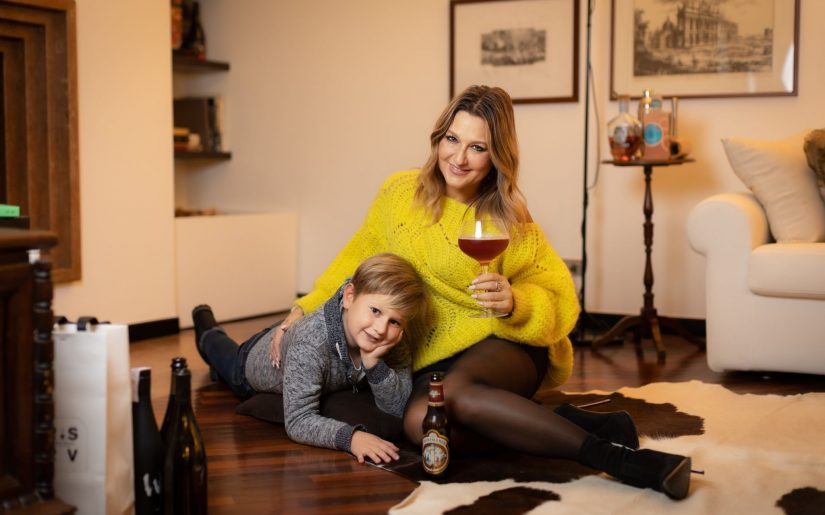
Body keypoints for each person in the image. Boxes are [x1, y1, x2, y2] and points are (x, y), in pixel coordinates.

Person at [270, 85, 693, 500]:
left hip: (504, 343)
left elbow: (558, 294)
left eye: (477, 147)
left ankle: (618, 460)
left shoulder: (508, 213)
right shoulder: (398, 194)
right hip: (431, 354)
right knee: (420, 426)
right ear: (438, 138)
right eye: (452, 140)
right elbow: (354, 259)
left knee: (455, 394)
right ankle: (565, 421)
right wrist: (302, 309)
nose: (459, 158)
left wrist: (515, 303)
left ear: (497, 156)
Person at [191, 253, 429, 465]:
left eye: (394, 321)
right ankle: (206, 326)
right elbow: (298, 421)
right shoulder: (312, 342)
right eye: (375, 311)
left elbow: (398, 408)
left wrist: (374, 365)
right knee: (221, 354)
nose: (380, 329)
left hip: (297, 343)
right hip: (251, 365)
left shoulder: (392, 338)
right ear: (349, 297)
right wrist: (351, 438)